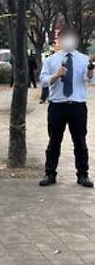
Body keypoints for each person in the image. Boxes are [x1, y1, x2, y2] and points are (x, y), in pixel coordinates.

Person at [38, 28, 95, 188]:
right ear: (60, 40)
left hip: (77, 106)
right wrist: (56, 75)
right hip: (57, 106)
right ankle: (50, 173)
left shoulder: (84, 59)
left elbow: (89, 80)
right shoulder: (51, 60)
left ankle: (83, 174)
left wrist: (91, 71)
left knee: (80, 141)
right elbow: (43, 80)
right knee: (54, 140)